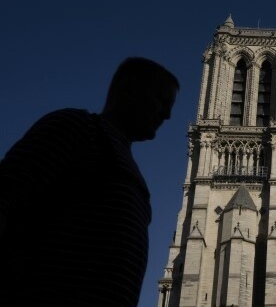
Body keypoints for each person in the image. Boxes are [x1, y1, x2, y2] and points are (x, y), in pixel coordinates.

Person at [0, 57, 179, 306]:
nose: (167, 114)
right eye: (161, 99)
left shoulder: (128, 166)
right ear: (129, 89)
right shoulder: (77, 127)